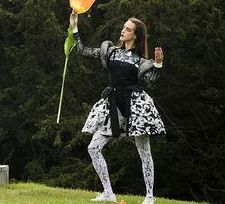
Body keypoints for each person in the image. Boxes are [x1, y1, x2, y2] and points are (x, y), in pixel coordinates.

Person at [70, 11, 165, 204]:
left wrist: (159, 64)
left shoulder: (141, 61)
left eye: (128, 29)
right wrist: (75, 26)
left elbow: (152, 83)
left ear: (135, 36)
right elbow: (82, 50)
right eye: (124, 27)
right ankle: (108, 193)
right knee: (93, 148)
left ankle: (149, 197)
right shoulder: (111, 51)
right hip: (113, 104)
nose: (123, 31)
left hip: (136, 106)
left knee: (144, 151)